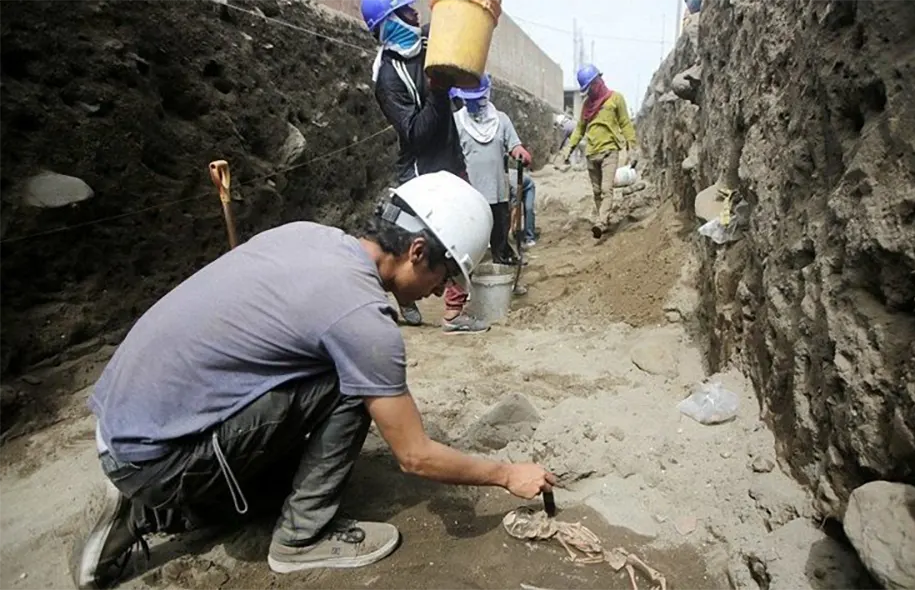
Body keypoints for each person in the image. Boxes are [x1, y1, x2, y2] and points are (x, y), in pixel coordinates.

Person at [72, 172, 556, 590]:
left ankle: (148, 508)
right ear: (416, 250)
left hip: (122, 426)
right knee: (352, 386)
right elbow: (415, 456)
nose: (439, 292)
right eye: (445, 275)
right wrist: (506, 473)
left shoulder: (309, 236)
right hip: (157, 457)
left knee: (284, 467)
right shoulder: (363, 319)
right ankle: (302, 539)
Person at [363, 0, 487, 334]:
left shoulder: (430, 46)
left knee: (463, 231)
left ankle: (445, 307)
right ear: (388, 23)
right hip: (422, 174)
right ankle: (412, 300)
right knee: (429, 243)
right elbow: (415, 133)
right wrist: (438, 90)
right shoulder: (389, 78)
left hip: (450, 160)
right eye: (406, 11)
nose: (416, 14)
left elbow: (459, 31)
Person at [450, 74, 533, 264]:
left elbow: (514, 145)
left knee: (500, 236)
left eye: (477, 99)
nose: (473, 104)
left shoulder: (501, 120)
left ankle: (501, 269)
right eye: (469, 99)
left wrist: (520, 152)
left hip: (498, 192)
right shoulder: (456, 121)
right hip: (471, 194)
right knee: (471, 238)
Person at [561, 64, 638, 239]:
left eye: (590, 87)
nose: (589, 92)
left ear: (598, 81)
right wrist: (568, 149)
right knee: (597, 192)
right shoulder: (587, 105)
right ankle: (604, 220)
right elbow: (580, 129)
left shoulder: (615, 99)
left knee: (606, 189)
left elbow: (625, 123)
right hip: (591, 153)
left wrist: (631, 145)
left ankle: (601, 222)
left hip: (609, 151)